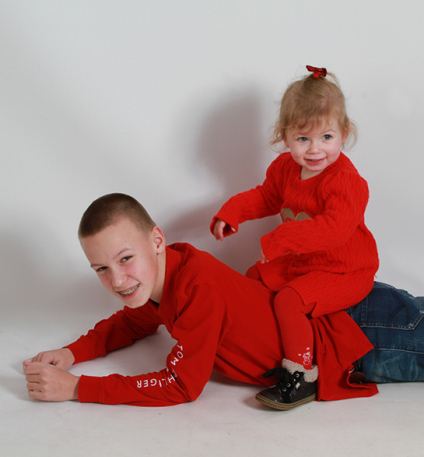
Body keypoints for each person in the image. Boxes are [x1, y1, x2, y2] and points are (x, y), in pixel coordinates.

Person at [23, 193, 424, 408]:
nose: (118, 280)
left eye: (125, 259)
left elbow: (180, 385)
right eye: (101, 269)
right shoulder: (165, 276)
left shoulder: (198, 289)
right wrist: (72, 352)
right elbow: (130, 323)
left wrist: (78, 389)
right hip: (337, 316)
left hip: (354, 335)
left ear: (157, 240)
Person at [211, 65, 379, 410]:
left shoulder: (345, 181)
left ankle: (302, 374)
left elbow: (334, 230)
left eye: (326, 138)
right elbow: (266, 197)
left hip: (345, 269)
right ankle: (264, 345)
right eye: (303, 139)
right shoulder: (285, 168)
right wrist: (233, 212)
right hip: (306, 262)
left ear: (344, 133)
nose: (315, 150)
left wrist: (281, 239)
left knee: (288, 299)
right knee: (255, 276)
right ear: (284, 137)